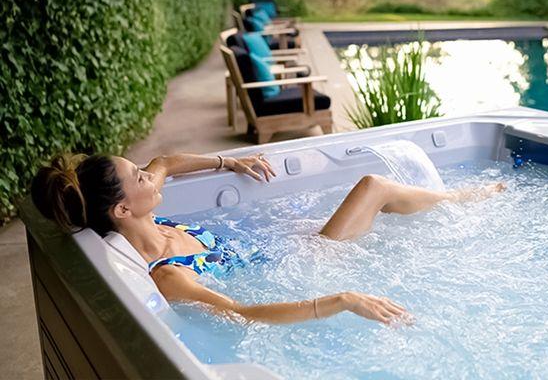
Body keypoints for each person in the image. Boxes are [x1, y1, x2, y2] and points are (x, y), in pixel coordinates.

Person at [32, 152, 505, 325]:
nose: (150, 177)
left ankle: (455, 198)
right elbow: (242, 313)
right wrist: (337, 300)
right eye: (139, 177)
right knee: (373, 187)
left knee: (373, 192)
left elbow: (166, 160)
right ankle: (463, 198)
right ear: (121, 210)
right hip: (310, 263)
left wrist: (229, 163)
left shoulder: (152, 217)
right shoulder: (169, 276)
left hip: (287, 243)